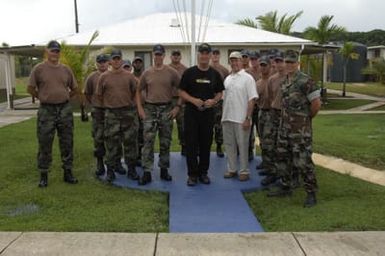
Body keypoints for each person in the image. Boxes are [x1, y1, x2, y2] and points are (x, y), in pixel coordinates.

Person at [268, 50, 321, 208]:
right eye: (287, 62)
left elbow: (316, 104)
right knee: (283, 158)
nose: (289, 65)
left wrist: (306, 119)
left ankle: (311, 193)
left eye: (292, 62)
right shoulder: (286, 81)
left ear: (297, 63)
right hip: (285, 129)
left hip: (300, 131)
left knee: (303, 162)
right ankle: (286, 187)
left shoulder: (305, 81)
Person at [28, 40, 78, 187]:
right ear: (47, 51)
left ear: (59, 53)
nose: (55, 53)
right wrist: (42, 97)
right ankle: (44, 175)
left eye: (57, 51)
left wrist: (66, 97)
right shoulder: (39, 69)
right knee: (45, 143)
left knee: (67, 142)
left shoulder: (66, 70)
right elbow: (30, 88)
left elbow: (74, 88)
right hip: (46, 111)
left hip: (64, 109)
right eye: (52, 50)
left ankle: (68, 172)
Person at [179, 43, 225, 186]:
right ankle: (192, 175)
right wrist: (193, 100)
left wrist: (214, 101)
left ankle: (203, 173)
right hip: (191, 114)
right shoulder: (189, 73)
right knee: (191, 144)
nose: (204, 56)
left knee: (206, 144)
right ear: (198, 55)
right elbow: (181, 91)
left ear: (210, 55)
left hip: (207, 114)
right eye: (202, 53)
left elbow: (220, 92)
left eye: (207, 53)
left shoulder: (215, 74)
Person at [136, 44, 181, 185]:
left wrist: (177, 107)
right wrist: (140, 109)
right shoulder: (147, 73)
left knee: (165, 141)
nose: (158, 57)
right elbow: (138, 91)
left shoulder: (172, 72)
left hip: (166, 109)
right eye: (156, 54)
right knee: (148, 142)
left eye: (160, 54)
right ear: (152, 55)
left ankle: (164, 170)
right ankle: (147, 172)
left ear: (164, 55)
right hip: (150, 109)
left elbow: (182, 90)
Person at [96, 49, 139, 182]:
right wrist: (110, 105)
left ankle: (131, 170)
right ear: (110, 61)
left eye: (118, 58)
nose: (116, 61)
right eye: (114, 59)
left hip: (128, 113)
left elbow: (134, 92)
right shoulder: (103, 77)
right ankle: (110, 171)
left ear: (121, 59)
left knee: (130, 143)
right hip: (111, 114)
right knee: (111, 144)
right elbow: (99, 95)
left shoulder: (129, 76)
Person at [222, 51, 258, 182]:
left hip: (241, 118)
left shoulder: (248, 78)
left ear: (242, 61)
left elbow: (251, 99)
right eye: (232, 60)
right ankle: (232, 169)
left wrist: (248, 118)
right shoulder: (227, 79)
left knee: (243, 145)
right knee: (229, 145)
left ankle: (244, 170)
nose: (234, 63)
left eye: (236, 60)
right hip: (227, 117)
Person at [260, 50, 286, 186]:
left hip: (288, 116)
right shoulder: (272, 79)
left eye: (280, 61)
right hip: (274, 114)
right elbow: (270, 98)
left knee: (285, 147)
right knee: (270, 143)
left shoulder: (293, 78)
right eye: (276, 61)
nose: (278, 64)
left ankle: (288, 175)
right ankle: (272, 172)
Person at [84, 53, 110, 176]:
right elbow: (87, 94)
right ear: (97, 63)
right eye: (100, 62)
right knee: (98, 138)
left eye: (104, 61)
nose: (102, 64)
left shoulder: (112, 75)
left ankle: (113, 164)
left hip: (111, 111)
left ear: (108, 63)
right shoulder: (92, 77)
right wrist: (95, 103)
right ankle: (100, 164)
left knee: (113, 138)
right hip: (98, 111)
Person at [255, 55, 274, 180]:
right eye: (261, 65)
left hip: (272, 113)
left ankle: (272, 168)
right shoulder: (258, 83)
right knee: (262, 139)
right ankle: (265, 162)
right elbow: (256, 99)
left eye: (265, 65)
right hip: (261, 112)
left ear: (270, 66)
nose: (263, 68)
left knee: (270, 141)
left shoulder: (273, 80)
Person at [210, 48, 229, 158]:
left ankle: (218, 146)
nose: (215, 56)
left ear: (220, 56)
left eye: (217, 54)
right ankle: (204, 146)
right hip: (206, 101)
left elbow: (227, 87)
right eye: (214, 54)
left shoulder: (224, 70)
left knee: (218, 126)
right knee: (205, 126)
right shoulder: (206, 68)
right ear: (211, 55)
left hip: (218, 102)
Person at [168, 49, 188, 156]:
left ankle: (184, 145)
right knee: (167, 125)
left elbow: (187, 87)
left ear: (180, 57)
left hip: (181, 100)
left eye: (177, 55)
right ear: (170, 57)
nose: (176, 57)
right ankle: (166, 148)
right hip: (168, 100)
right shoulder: (166, 68)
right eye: (174, 55)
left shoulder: (185, 70)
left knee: (183, 125)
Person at [245, 50, 260, 162]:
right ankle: (249, 151)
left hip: (261, 107)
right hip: (250, 106)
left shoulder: (264, 71)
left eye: (255, 59)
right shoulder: (246, 72)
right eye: (252, 59)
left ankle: (266, 158)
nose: (253, 61)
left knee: (262, 133)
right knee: (248, 131)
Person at [132, 56, 145, 167]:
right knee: (133, 133)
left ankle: (141, 155)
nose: (138, 64)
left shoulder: (147, 76)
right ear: (133, 64)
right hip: (132, 109)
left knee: (143, 132)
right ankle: (134, 156)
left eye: (140, 62)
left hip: (145, 107)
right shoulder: (129, 77)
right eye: (136, 62)